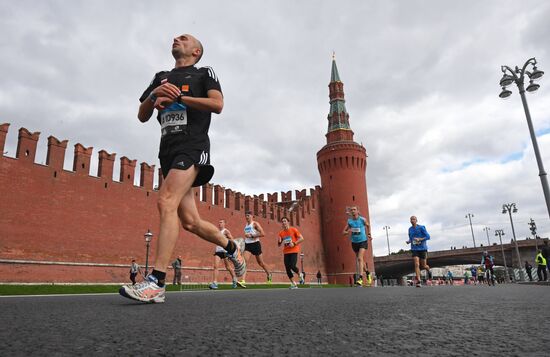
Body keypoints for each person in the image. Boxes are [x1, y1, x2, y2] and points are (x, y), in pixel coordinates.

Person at [119, 34, 246, 303]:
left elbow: (218, 104)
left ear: (196, 51)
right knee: (190, 221)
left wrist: (181, 98)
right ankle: (232, 247)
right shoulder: (160, 76)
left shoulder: (204, 73)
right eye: (176, 37)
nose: (176, 39)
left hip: (193, 144)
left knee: (165, 201)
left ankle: (156, 282)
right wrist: (155, 95)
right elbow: (142, 116)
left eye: (184, 38)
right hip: (167, 150)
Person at [239, 211, 272, 287]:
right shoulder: (246, 225)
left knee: (261, 263)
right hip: (248, 245)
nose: (246, 217)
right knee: (244, 262)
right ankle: (243, 280)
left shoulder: (255, 224)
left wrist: (251, 235)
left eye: (248, 215)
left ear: (252, 216)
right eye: (246, 216)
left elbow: (263, 233)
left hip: (256, 245)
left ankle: (269, 274)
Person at [342, 206, 370, 286]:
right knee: (360, 259)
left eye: (354, 210)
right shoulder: (350, 221)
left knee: (360, 258)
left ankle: (360, 278)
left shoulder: (362, 220)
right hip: (354, 242)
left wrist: (369, 233)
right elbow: (343, 232)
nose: (353, 211)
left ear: (358, 211)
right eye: (351, 210)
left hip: (363, 241)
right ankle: (367, 272)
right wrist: (349, 231)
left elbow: (368, 225)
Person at [209, 219, 239, 289]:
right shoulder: (218, 231)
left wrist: (226, 240)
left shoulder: (226, 231)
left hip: (225, 251)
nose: (219, 223)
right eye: (219, 222)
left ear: (224, 223)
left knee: (228, 267)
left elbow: (232, 240)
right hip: (218, 251)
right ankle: (215, 283)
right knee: (215, 266)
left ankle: (234, 279)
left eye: (221, 222)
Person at [277, 216, 305, 289]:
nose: (283, 222)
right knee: (287, 268)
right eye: (282, 221)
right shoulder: (281, 233)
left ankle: (300, 274)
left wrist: (294, 243)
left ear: (288, 222)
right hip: (286, 252)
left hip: (294, 250)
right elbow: (279, 244)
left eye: (285, 221)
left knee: (292, 266)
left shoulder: (293, 229)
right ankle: (294, 284)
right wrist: (279, 242)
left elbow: (302, 238)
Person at [405, 215, 432, 288]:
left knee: (424, 265)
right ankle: (419, 281)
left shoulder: (421, 227)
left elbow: (428, 237)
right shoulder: (410, 229)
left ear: (416, 220)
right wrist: (409, 241)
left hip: (423, 248)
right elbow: (411, 238)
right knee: (416, 264)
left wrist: (420, 239)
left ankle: (428, 270)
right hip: (414, 249)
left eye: (413, 219)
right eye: (411, 219)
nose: (412, 220)